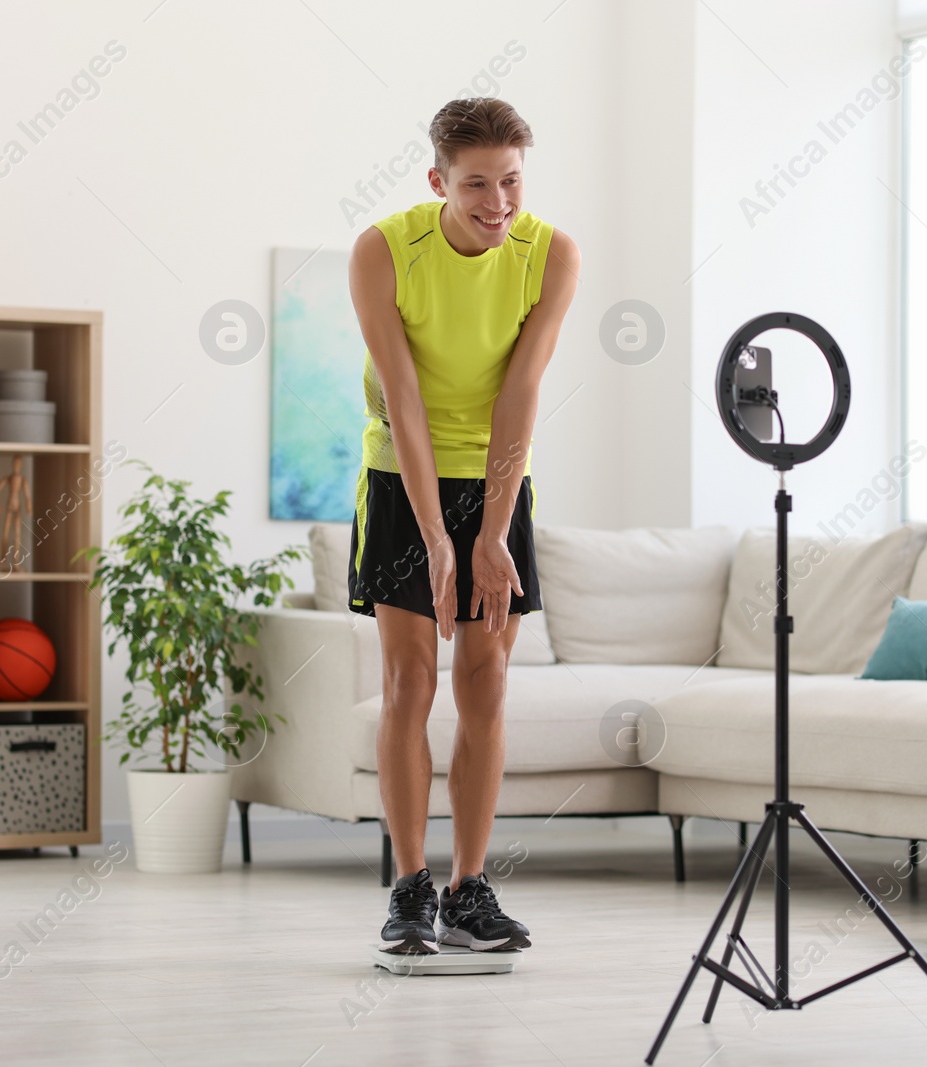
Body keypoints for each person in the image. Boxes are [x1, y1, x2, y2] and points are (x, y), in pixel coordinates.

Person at [346, 96, 580, 954]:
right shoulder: (383, 250)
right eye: (477, 184)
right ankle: (409, 888)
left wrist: (488, 530)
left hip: (499, 477)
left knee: (485, 681)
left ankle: (468, 888)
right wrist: (437, 537)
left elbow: (520, 393)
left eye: (512, 181)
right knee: (411, 682)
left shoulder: (549, 254)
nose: (498, 203)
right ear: (439, 179)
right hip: (399, 475)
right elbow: (401, 398)